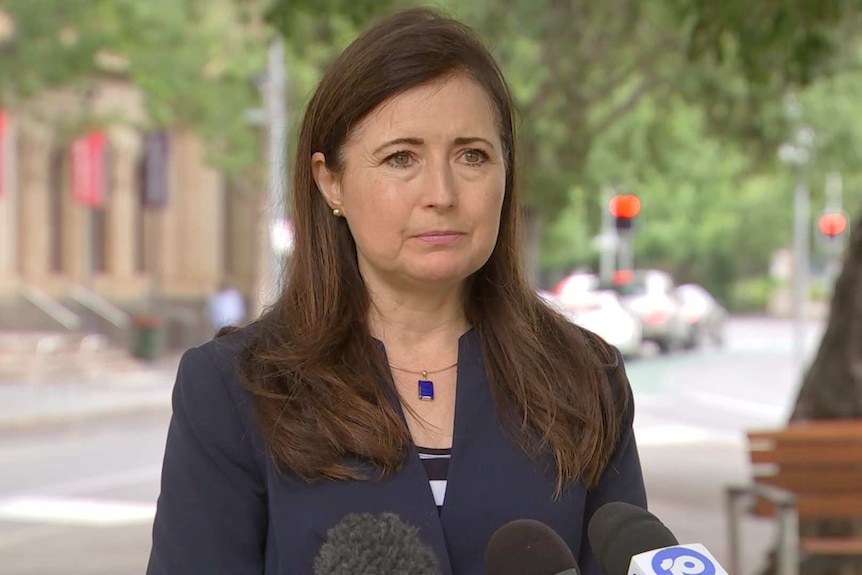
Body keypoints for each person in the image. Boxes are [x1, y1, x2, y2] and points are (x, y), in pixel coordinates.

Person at [147, 7, 646, 575]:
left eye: (472, 156)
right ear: (329, 181)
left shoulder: (585, 381)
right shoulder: (235, 390)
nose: (441, 192)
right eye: (401, 158)